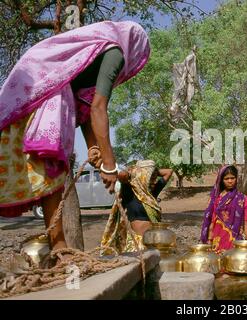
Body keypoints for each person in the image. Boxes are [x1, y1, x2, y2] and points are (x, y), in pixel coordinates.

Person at [0, 21, 150, 253]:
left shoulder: (92, 54)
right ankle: (59, 248)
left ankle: (59, 248)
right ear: (135, 47)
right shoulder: (115, 52)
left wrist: (94, 148)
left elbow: (86, 106)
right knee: (52, 168)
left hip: (31, 89)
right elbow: (99, 108)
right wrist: (109, 164)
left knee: (48, 171)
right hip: (45, 91)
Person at [101, 160, 172, 253]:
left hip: (155, 242)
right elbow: (122, 175)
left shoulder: (150, 194)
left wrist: (152, 169)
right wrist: (135, 171)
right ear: (141, 175)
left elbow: (169, 172)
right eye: (149, 176)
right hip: (138, 245)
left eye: (153, 177)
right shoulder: (130, 192)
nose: (153, 180)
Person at [200, 165, 247, 254]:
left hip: (234, 239)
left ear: (236, 178)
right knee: (217, 265)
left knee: (233, 264)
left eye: (232, 178)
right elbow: (212, 221)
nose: (230, 181)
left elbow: (246, 221)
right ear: (221, 180)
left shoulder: (243, 199)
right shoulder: (217, 199)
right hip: (218, 237)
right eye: (226, 179)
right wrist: (209, 240)